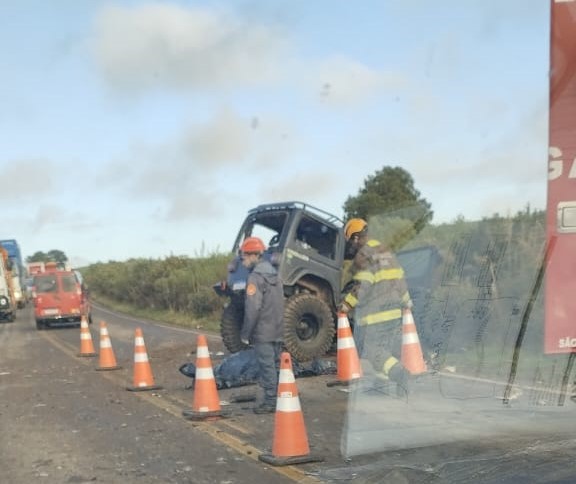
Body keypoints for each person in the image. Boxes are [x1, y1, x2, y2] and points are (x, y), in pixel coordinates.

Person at [339, 218, 413, 395]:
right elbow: (399, 278)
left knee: (373, 351)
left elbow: (363, 285)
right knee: (384, 350)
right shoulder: (385, 251)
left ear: (356, 238)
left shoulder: (364, 254)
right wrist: (407, 301)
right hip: (394, 311)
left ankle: (399, 374)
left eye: (351, 240)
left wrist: (346, 304)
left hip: (377, 313)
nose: (352, 245)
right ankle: (382, 387)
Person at [239, 236, 285, 414]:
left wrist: (245, 333)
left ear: (253, 255)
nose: (242, 260)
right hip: (278, 329)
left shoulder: (255, 278)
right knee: (275, 366)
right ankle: (280, 397)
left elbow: (253, 309)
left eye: (244, 257)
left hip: (263, 332)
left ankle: (271, 402)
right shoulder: (276, 275)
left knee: (267, 367)